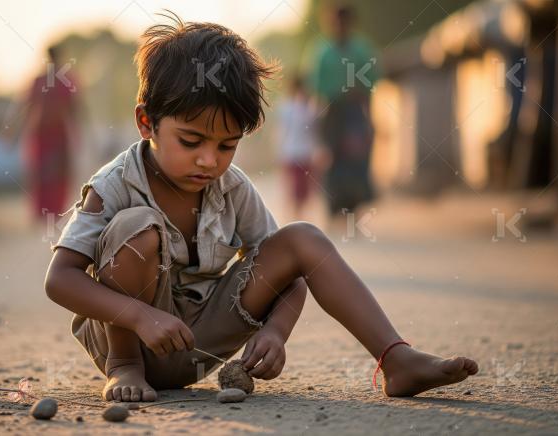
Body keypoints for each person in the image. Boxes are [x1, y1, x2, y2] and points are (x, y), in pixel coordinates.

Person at [44, 12, 478, 403]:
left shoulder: (232, 188)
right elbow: (59, 280)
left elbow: (289, 274)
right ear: (146, 123)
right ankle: (125, 368)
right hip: (130, 343)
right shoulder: (114, 183)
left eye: (227, 145)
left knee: (303, 238)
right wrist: (140, 317)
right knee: (134, 226)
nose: (209, 160)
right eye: (191, 141)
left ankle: (396, 359)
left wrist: (276, 330)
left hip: (198, 342)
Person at [308, 5, 378, 217]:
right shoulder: (321, 51)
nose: (339, 27)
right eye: (335, 23)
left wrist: (369, 119)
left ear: (351, 23)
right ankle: (333, 207)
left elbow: (369, 88)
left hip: (355, 110)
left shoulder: (362, 50)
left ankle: (354, 207)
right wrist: (317, 122)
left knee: (356, 158)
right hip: (331, 111)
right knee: (332, 158)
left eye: (343, 22)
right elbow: (316, 90)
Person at [16, 44, 79, 223]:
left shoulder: (60, 80)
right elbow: (27, 106)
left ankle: (52, 211)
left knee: (55, 172)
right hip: (45, 133)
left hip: (54, 133)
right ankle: (46, 212)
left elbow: (74, 108)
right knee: (43, 172)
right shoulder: (50, 80)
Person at [275, 74, 317, 221]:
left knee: (302, 189)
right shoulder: (288, 108)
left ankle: (298, 216)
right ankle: (292, 217)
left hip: (304, 153)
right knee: (293, 188)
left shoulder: (309, 108)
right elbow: (282, 130)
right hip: (292, 152)